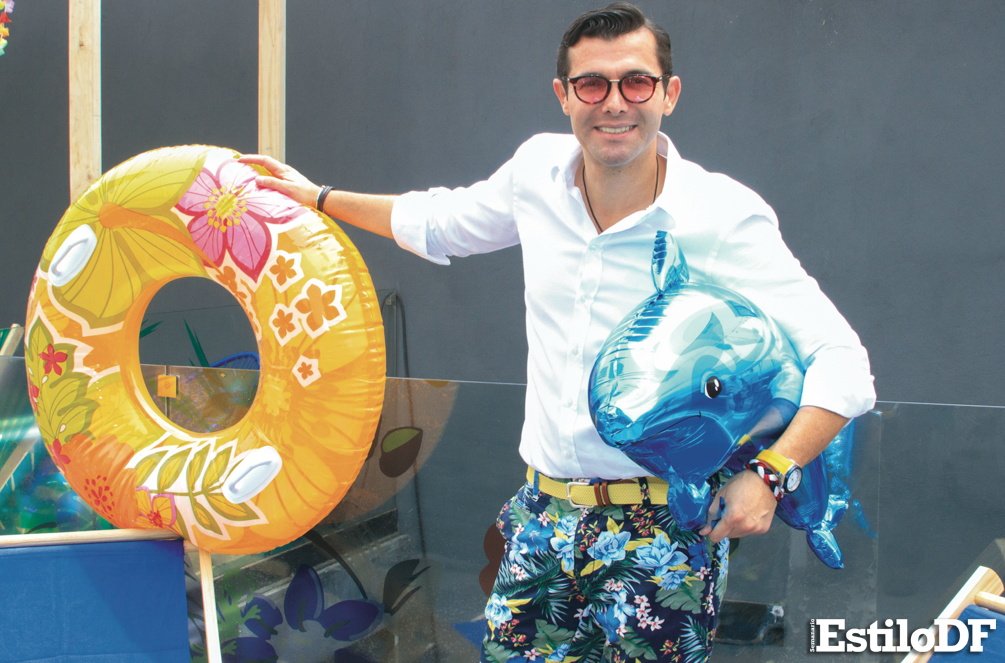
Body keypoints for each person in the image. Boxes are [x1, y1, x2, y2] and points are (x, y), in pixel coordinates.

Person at [242, 3, 875, 660]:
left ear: (669, 94)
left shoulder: (718, 214)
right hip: (542, 515)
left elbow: (844, 364)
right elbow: (439, 222)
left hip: (665, 529)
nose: (614, 103)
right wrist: (317, 198)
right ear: (563, 95)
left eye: (636, 82)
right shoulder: (536, 174)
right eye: (591, 84)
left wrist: (770, 475)